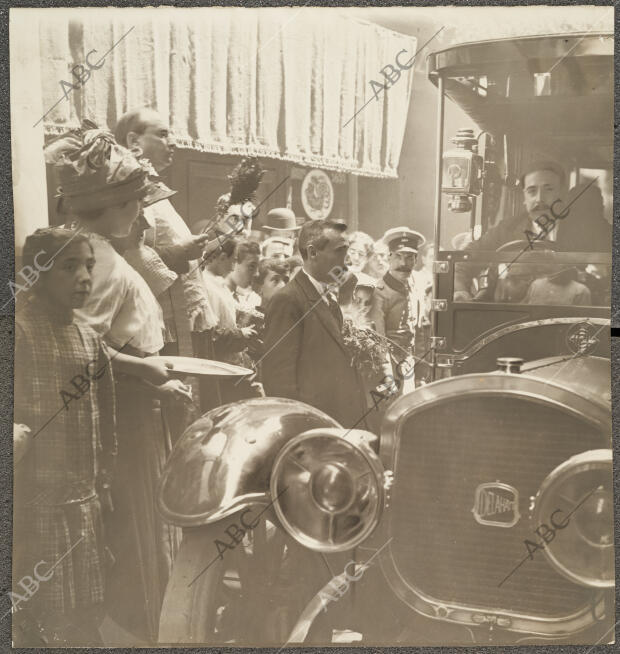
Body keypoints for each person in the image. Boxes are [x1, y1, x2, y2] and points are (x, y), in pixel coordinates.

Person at [49, 128, 186, 643]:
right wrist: (145, 371)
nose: (143, 214)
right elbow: (74, 347)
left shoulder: (92, 250)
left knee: (137, 526)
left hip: (132, 401)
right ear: (120, 207)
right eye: (137, 204)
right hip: (125, 409)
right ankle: (135, 629)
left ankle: (138, 624)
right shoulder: (99, 259)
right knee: (134, 526)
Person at [13, 229, 116, 646]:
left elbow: (106, 422)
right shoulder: (18, 334)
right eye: (68, 267)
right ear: (36, 274)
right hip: (34, 506)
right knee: (35, 613)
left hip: (82, 504)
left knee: (82, 613)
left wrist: (104, 483)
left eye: (89, 266)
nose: (84, 278)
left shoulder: (91, 341)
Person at [115, 108, 220, 360]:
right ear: (133, 141)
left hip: (187, 317)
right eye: (162, 134)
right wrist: (179, 252)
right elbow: (125, 257)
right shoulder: (124, 192)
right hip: (159, 327)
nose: (172, 142)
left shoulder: (153, 188)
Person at [261, 219, 368, 428]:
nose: (346, 260)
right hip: (313, 429)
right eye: (339, 251)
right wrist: (302, 430)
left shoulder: (327, 297)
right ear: (312, 253)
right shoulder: (288, 300)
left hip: (336, 424)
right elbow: (278, 381)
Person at [454, 161, 611, 299]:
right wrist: (461, 291)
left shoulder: (590, 230)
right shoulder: (507, 229)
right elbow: (462, 263)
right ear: (524, 198)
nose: (539, 199)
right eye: (532, 191)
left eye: (548, 189)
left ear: (562, 195)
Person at [368, 228, 425, 395]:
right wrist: (386, 373)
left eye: (409, 258)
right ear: (389, 258)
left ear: (416, 260)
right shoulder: (379, 292)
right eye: (398, 256)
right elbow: (378, 338)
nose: (403, 264)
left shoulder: (415, 286)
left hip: (409, 362)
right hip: (389, 366)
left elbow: (418, 329)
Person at [226, 239, 262, 312]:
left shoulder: (243, 300)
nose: (257, 273)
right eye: (252, 266)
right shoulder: (214, 294)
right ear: (234, 262)